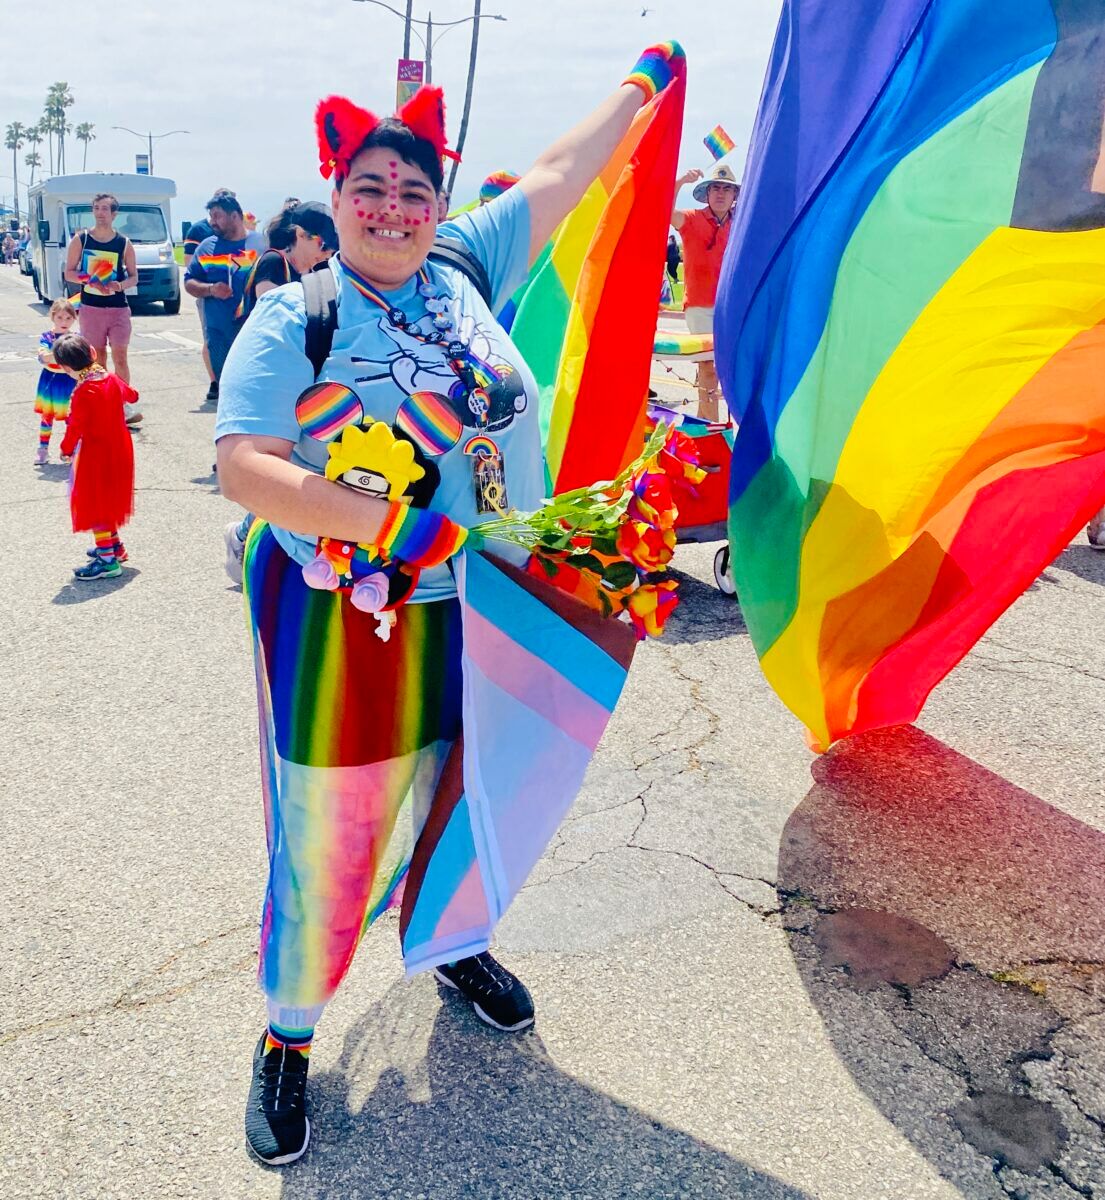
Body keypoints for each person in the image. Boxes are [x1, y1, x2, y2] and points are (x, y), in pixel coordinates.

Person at [215, 45, 685, 1167]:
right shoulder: (298, 317)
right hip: (348, 618)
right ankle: (288, 1034)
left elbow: (559, 173)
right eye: (369, 187)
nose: (394, 206)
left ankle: (452, 939)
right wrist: (384, 525)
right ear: (335, 198)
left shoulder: (467, 264)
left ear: (439, 204)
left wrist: (641, 83)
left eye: (415, 189)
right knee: (333, 827)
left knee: (484, 790)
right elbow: (244, 466)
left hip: (492, 602)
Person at [222, 201, 338, 584]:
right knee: (275, 466)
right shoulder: (275, 264)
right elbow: (277, 311)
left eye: (330, 248)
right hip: (271, 376)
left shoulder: (304, 271)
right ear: (300, 235)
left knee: (291, 465)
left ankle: (245, 533)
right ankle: (242, 537)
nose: (326, 254)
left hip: (293, 371)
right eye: (321, 243)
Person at [54, 333, 136, 581]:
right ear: (91, 353)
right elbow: (132, 395)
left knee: (95, 503)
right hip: (120, 448)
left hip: (96, 452)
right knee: (108, 500)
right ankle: (114, 548)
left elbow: (75, 427)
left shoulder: (83, 391)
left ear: (66, 367)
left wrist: (65, 449)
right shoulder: (108, 377)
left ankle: (108, 561)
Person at [63, 193, 141, 426]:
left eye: (105, 209)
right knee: (97, 359)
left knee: (120, 356)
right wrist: (90, 279)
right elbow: (69, 272)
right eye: (96, 208)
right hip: (91, 307)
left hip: (118, 308)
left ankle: (123, 405)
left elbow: (134, 276)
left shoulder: (123, 243)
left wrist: (120, 285)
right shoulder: (82, 239)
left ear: (114, 214)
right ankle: (101, 403)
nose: (100, 213)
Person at [671, 162, 740, 422]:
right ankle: (715, 433)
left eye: (727, 189)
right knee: (709, 369)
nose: (721, 194)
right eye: (715, 188)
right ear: (707, 194)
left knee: (731, 372)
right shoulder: (691, 219)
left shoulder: (742, 224)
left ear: (735, 196)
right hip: (700, 307)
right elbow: (663, 211)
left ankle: (702, 427)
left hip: (732, 308)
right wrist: (679, 183)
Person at [183, 193, 266, 400]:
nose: (212, 222)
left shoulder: (261, 244)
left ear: (235, 216)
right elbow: (189, 282)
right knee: (227, 390)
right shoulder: (206, 247)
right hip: (218, 333)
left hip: (253, 330)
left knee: (254, 389)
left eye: (217, 216)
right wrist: (210, 289)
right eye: (211, 216)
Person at [183, 188, 238, 403]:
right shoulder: (199, 231)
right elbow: (189, 265)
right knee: (212, 340)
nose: (215, 219)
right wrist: (210, 287)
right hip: (210, 297)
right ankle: (216, 381)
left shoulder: (247, 234)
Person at [33, 299, 78, 465]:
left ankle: (70, 449)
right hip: (50, 380)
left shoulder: (76, 338)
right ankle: (42, 449)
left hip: (70, 380)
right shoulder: (47, 336)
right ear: (53, 317)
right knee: (47, 416)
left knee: (71, 417)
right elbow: (43, 356)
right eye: (60, 317)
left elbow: (82, 357)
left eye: (68, 318)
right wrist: (60, 355)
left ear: (74, 318)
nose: (64, 322)